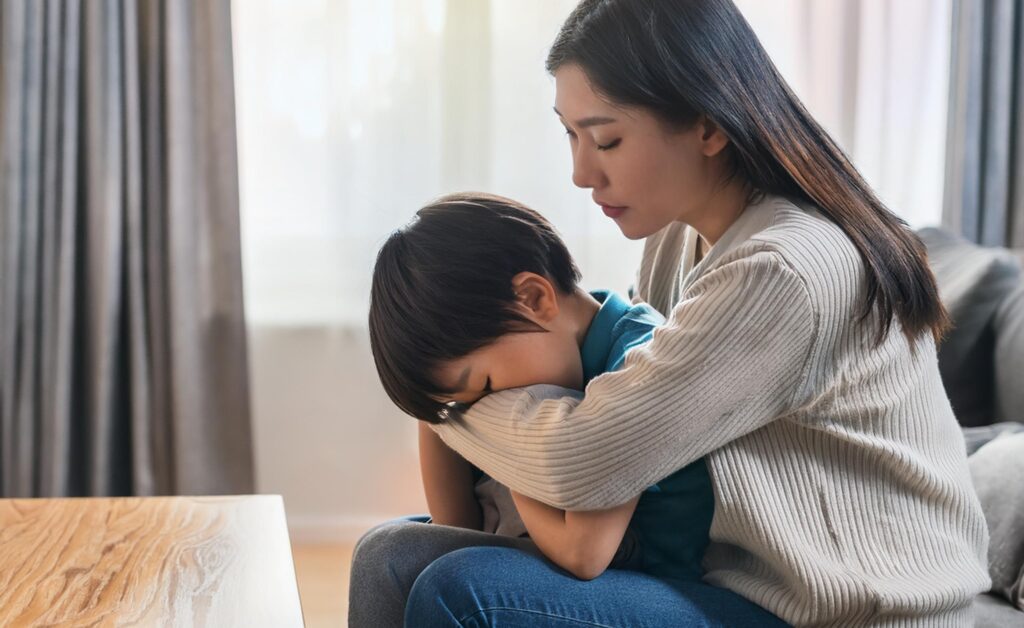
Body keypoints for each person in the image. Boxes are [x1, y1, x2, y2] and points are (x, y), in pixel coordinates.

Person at [351, 0, 991, 625]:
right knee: (389, 556)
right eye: (570, 135)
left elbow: (588, 462)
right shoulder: (678, 238)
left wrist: (443, 407)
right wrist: (447, 398)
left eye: (606, 139)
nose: (579, 172)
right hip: (737, 577)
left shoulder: (782, 271)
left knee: (466, 589)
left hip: (843, 609)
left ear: (708, 125)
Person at [354, 193, 782, 626]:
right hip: (590, 563)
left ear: (536, 299)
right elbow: (459, 525)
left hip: (652, 580)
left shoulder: (639, 363)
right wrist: (442, 415)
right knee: (385, 551)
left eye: (483, 387)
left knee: (447, 580)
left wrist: (510, 449)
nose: (489, 412)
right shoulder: (551, 351)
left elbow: (585, 554)